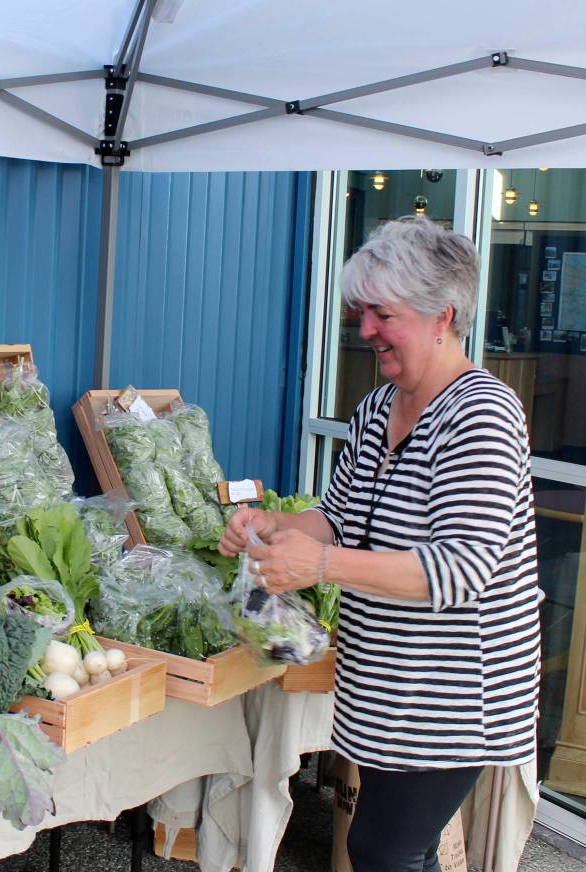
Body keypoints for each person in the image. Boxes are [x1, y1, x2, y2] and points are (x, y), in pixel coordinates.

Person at [219, 216, 541, 872]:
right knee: (402, 851)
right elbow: (338, 517)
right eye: (361, 312)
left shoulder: (482, 414)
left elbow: (460, 568)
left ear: (440, 316)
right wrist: (274, 528)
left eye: (380, 314)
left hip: (454, 697)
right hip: (388, 687)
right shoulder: (376, 409)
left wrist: (322, 564)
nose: (364, 330)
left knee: (380, 850)